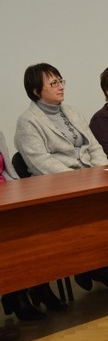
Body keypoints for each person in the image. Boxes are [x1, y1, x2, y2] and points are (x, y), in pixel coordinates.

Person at [14, 63, 108, 295]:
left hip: (90, 179)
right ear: (36, 91)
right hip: (56, 187)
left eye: (61, 81)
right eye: (53, 83)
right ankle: (92, 265)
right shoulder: (28, 121)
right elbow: (40, 162)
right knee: (88, 213)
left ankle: (100, 264)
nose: (61, 87)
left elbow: (94, 146)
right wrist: (78, 180)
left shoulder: (73, 112)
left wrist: (101, 173)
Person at [1, 130, 31, 329]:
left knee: (28, 231)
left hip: (6, 196)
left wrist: (20, 193)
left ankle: (21, 291)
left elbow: (8, 170)